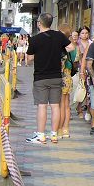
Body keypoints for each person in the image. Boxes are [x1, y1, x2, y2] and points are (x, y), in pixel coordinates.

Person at [24, 12, 74, 145]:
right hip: (56, 76)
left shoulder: (34, 40)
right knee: (55, 106)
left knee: (42, 106)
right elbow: (71, 47)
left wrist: (38, 54)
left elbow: (28, 60)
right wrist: (59, 50)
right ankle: (54, 135)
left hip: (41, 77)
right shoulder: (59, 36)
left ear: (39, 23)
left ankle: (40, 136)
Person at [54, 26, 78, 140]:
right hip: (68, 77)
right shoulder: (73, 47)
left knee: (60, 106)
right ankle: (66, 129)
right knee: (67, 105)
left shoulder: (61, 47)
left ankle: (58, 129)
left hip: (61, 76)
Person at [75, 26, 93, 121]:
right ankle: (79, 106)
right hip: (79, 69)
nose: (84, 35)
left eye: (86, 33)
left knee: (88, 89)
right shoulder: (77, 43)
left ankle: (86, 107)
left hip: (89, 69)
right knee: (81, 88)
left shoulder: (91, 43)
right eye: (82, 33)